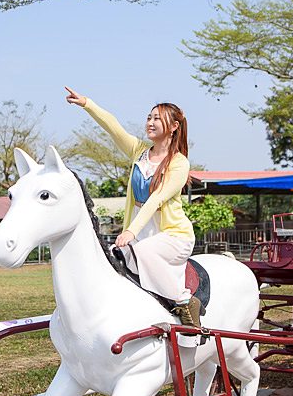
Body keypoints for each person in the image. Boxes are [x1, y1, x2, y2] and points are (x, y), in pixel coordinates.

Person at [64, 86, 201, 330]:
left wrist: (131, 232)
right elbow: (113, 127)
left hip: (172, 235)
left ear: (174, 126)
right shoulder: (139, 152)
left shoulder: (180, 163)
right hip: (140, 229)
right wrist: (87, 103)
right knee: (115, 262)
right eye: (149, 117)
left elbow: (156, 199)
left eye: (157, 118)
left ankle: (185, 302)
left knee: (144, 251)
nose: (150, 122)